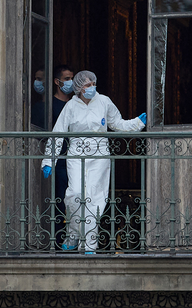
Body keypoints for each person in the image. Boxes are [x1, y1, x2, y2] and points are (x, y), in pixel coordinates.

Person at [41, 70, 147, 253]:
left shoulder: (104, 101)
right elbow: (58, 133)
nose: (91, 88)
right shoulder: (71, 106)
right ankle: (73, 236)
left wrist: (136, 123)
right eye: (87, 85)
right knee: (74, 194)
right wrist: (49, 160)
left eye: (93, 84)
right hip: (76, 154)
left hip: (99, 155)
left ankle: (89, 244)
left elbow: (117, 124)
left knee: (94, 199)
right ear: (78, 87)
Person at [37, 65, 75, 247]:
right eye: (67, 79)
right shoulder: (49, 105)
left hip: (76, 157)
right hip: (59, 159)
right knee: (61, 200)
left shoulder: (76, 103)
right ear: (57, 81)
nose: (70, 82)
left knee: (78, 199)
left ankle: (77, 238)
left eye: (72, 78)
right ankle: (59, 240)